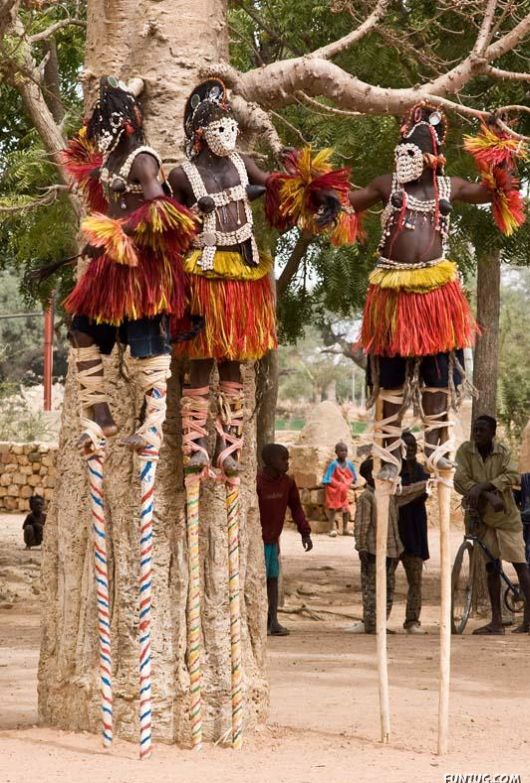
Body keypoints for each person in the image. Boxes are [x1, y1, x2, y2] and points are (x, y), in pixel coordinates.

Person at [169, 79, 353, 477]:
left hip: (246, 273)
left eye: (231, 125)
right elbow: (166, 223)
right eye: (219, 127)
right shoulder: (182, 176)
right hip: (206, 274)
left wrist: (314, 192)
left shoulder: (242, 164)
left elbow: (274, 185)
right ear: (200, 134)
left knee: (234, 362)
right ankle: (195, 444)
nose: (229, 133)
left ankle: (228, 447)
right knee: (201, 360)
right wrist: (192, 216)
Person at [347, 104, 525, 480]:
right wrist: (317, 192)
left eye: (412, 154)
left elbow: (496, 189)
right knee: (390, 377)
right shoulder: (386, 184)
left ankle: (436, 444)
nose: (403, 160)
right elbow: (348, 202)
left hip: (436, 296)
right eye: (401, 153)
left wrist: (501, 144)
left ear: (431, 159)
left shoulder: (450, 186)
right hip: (391, 294)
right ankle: (389, 451)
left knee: (438, 375)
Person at [61, 76, 196, 455]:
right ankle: (101, 415)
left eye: (103, 123)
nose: (96, 131)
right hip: (110, 269)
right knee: (81, 330)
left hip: (142, 271)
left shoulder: (143, 160)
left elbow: (160, 206)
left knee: (148, 346)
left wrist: (118, 230)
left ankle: (151, 425)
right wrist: (100, 240)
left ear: (122, 123)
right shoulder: (111, 160)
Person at [454, 415, 530, 635]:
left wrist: (483, 487)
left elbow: (513, 476)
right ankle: (496, 621)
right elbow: (459, 479)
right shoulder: (465, 451)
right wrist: (486, 493)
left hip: (506, 516)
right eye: (475, 430)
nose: (477, 434)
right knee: (491, 568)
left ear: (492, 433)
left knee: (520, 565)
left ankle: (528, 620)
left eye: (482, 430)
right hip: (483, 517)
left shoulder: (503, 452)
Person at [350, 456, 427, 634]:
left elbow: (407, 492)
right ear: (371, 475)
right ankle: (372, 624)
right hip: (372, 550)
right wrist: (361, 546)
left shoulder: (388, 494)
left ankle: (380, 623)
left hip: (391, 550)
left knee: (388, 588)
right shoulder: (367, 497)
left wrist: (427, 484)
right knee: (372, 588)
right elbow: (361, 525)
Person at [257, 443, 313, 636]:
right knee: (259, 580)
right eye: (284, 459)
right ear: (271, 461)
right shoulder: (257, 482)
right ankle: (259, 619)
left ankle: (273, 620)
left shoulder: (287, 483)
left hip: (273, 541)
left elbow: (296, 508)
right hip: (257, 541)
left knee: (273, 579)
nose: (287, 463)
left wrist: (305, 532)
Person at [398, 432, 430, 634]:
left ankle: (412, 620)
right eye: (405, 446)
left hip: (415, 532)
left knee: (415, 581)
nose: (409, 450)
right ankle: (378, 619)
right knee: (386, 580)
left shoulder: (420, 471)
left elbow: (424, 493)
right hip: (396, 531)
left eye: (412, 446)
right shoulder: (392, 470)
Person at [322, 442, 357, 537]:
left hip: (343, 492)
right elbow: (328, 477)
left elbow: (353, 476)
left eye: (345, 451)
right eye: (341, 451)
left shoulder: (349, 464)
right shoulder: (334, 464)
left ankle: (345, 529)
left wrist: (350, 481)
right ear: (336, 452)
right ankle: (331, 529)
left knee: (346, 510)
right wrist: (333, 483)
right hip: (334, 491)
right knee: (333, 509)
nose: (344, 453)